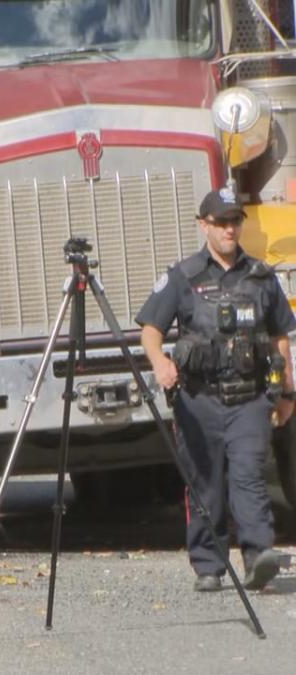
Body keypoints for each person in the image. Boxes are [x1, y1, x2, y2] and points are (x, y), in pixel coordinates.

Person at [136, 187, 295, 593]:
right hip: (198, 399)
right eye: (221, 222)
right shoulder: (182, 276)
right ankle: (209, 564)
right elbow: (151, 331)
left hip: (249, 398)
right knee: (204, 482)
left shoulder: (261, 276)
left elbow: (279, 338)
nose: (229, 229)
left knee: (248, 476)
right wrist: (161, 363)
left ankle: (259, 555)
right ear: (203, 225)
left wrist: (287, 392)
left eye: (235, 221)